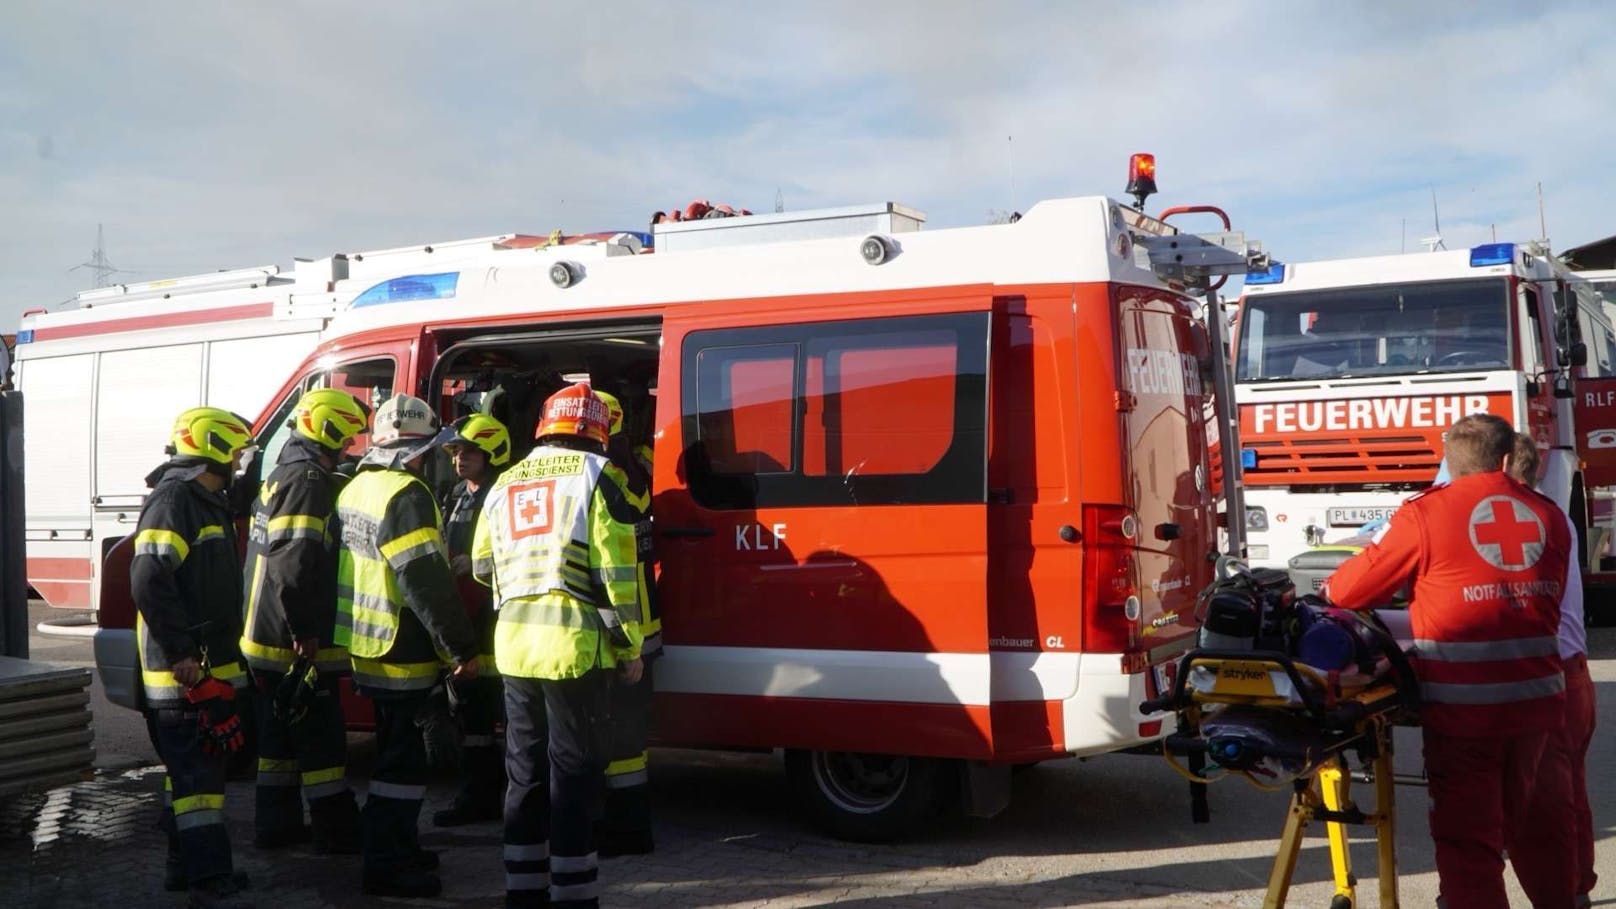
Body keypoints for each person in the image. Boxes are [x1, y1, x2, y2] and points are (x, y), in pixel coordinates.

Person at [1324, 413, 1575, 909]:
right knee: (1541, 830)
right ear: (1507, 459)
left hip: (1463, 716)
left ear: (1449, 464)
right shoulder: (1548, 516)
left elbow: (1348, 590)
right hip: (1539, 708)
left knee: (1469, 844)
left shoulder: (1425, 514)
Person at [472, 382, 644, 909]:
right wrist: (629, 646)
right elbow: (615, 574)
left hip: (515, 649)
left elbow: (482, 566)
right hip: (574, 651)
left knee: (523, 776)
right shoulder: (599, 478)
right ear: (597, 430)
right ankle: (574, 896)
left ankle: (522, 893)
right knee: (572, 778)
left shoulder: (504, 483)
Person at [334, 393, 481, 898]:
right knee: (404, 764)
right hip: (404, 647)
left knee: (391, 755)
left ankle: (396, 846)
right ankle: (387, 864)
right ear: (417, 451)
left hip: (367, 642)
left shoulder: (359, 487)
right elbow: (425, 583)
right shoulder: (409, 495)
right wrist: (461, 648)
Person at [131, 407, 256, 908]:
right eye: (240, 453)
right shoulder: (176, 501)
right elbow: (148, 579)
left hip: (203, 667)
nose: (242, 463)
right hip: (182, 674)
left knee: (186, 777)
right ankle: (209, 877)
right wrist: (182, 652)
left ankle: (182, 868)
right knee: (200, 783)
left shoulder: (206, 501)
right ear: (218, 450)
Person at [239, 388, 369, 853]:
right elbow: (292, 565)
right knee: (322, 742)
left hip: (264, 633)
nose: (351, 445)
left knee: (277, 744)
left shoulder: (284, 473)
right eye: (348, 436)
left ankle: (276, 827)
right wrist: (305, 632)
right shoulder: (309, 481)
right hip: (292, 638)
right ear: (328, 429)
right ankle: (336, 833)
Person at [1508, 432, 1597, 907]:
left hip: (1547, 674)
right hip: (1573, 670)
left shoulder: (1521, 520)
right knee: (1569, 791)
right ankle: (1577, 886)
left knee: (1544, 802)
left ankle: (1562, 892)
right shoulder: (1554, 516)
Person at [431, 413, 513, 827]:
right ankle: (477, 797)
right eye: (456, 452)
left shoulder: (506, 493)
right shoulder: (454, 494)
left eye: (469, 452)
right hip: (464, 616)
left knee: (508, 716)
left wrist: (478, 562)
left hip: (496, 619)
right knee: (471, 717)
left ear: (492, 453)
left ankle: (515, 797)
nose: (460, 459)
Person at [593, 390, 659, 855]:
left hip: (622, 629)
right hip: (641, 622)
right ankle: (629, 825)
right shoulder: (635, 466)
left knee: (619, 734)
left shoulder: (610, 477)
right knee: (628, 735)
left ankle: (627, 829)